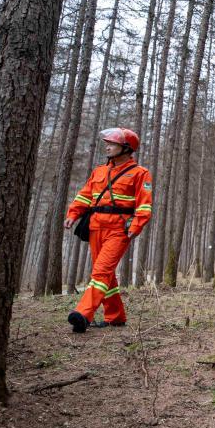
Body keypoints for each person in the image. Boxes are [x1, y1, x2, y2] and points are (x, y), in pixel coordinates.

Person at [65, 128, 153, 332]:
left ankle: (83, 313)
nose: (107, 146)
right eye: (107, 142)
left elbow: (145, 204)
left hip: (119, 229)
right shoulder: (99, 171)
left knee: (101, 271)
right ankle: (115, 316)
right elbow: (85, 196)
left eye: (112, 143)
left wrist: (136, 225)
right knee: (106, 275)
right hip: (96, 227)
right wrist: (73, 214)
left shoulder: (140, 173)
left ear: (126, 148)